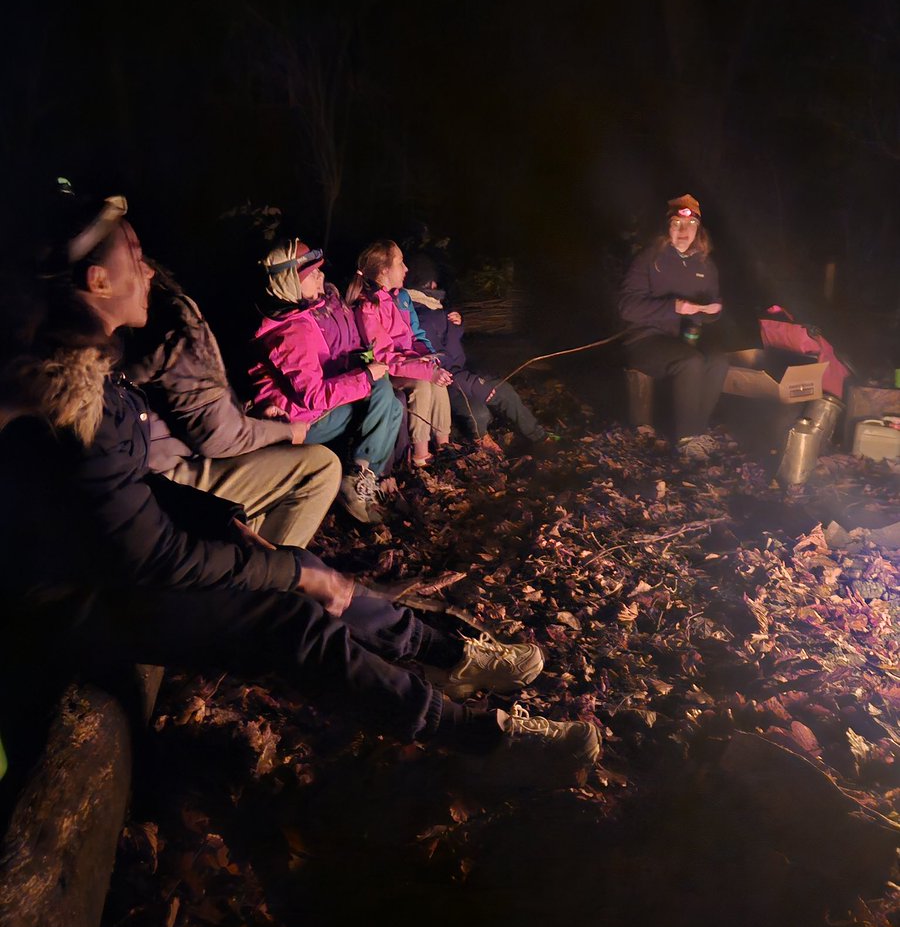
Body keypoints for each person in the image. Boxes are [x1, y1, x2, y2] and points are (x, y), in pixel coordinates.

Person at [0, 192, 600, 788]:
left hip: (110, 567)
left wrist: (225, 523)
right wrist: (288, 575)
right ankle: (478, 735)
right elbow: (152, 556)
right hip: (75, 604)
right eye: (135, 256)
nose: (150, 268)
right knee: (287, 616)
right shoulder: (68, 399)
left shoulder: (93, 367)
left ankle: (452, 658)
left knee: (300, 566)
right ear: (99, 281)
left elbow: (133, 489)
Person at [120, 263, 341, 548]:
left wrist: (250, 415)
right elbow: (218, 436)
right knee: (321, 467)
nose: (149, 270)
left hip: (163, 460)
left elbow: (197, 411)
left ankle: (250, 560)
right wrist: (287, 433)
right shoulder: (170, 321)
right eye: (136, 258)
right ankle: (273, 580)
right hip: (163, 475)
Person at [249, 239, 403, 524]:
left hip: (313, 414)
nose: (321, 276)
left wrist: (356, 366)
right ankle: (357, 477)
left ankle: (367, 478)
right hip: (297, 426)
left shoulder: (301, 317)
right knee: (379, 387)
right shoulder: (291, 331)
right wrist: (365, 376)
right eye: (312, 274)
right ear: (290, 283)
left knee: (393, 406)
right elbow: (314, 397)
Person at [618, 193, 728, 460]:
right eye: (677, 224)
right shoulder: (650, 259)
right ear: (667, 227)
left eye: (690, 225)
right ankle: (686, 438)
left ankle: (698, 430)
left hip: (684, 338)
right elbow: (627, 307)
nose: (683, 231)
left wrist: (712, 311)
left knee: (718, 360)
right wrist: (673, 308)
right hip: (644, 339)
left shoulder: (705, 265)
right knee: (690, 361)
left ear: (698, 230)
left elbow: (708, 307)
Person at [404, 253, 551, 453]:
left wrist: (457, 324)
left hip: (460, 375)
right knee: (480, 414)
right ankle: (483, 442)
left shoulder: (432, 309)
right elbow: (438, 361)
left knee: (504, 391)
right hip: (446, 385)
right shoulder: (422, 316)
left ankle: (539, 437)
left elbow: (449, 345)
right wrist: (474, 384)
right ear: (429, 283)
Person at [347, 240, 453, 468]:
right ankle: (420, 453)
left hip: (408, 363)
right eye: (400, 262)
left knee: (437, 380)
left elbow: (414, 335)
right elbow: (385, 357)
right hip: (387, 372)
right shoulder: (369, 307)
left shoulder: (397, 297)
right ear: (385, 270)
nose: (406, 269)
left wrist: (430, 358)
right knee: (424, 384)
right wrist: (424, 370)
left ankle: (445, 445)